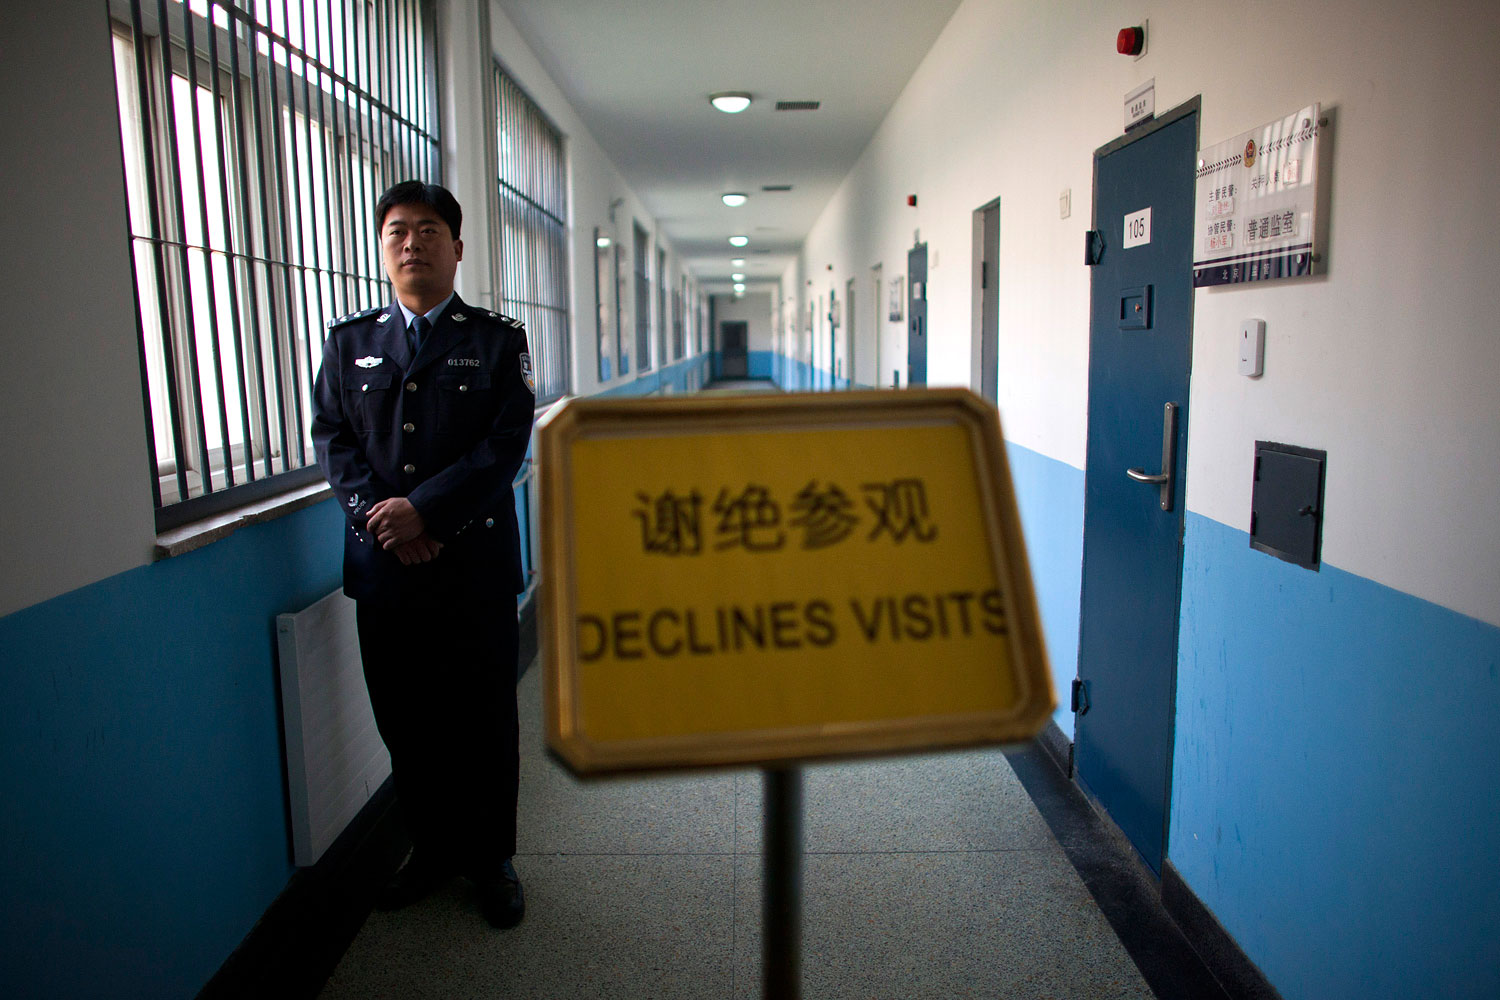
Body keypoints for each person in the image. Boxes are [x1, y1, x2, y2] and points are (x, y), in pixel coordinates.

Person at [311, 180, 535, 929]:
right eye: (398, 231)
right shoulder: (349, 343)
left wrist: (425, 513)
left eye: (430, 229)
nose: (413, 242)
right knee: (406, 721)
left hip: (472, 566)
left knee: (482, 718)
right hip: (385, 573)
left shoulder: (498, 340)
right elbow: (334, 442)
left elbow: (503, 446)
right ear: (382, 249)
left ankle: (491, 858)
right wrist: (384, 522)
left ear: (458, 248)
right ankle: (432, 849)